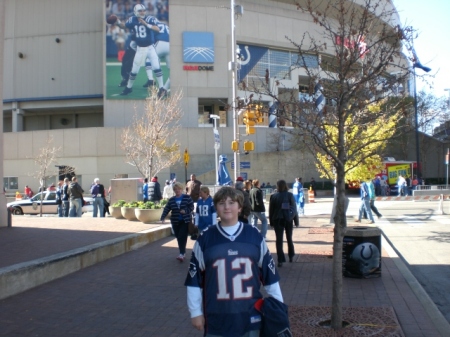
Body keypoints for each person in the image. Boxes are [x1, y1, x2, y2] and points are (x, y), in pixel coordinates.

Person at [184, 186, 283, 336]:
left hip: (251, 317)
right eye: (222, 203)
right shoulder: (205, 239)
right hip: (217, 318)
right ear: (216, 207)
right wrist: (195, 312)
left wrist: (279, 308)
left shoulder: (254, 236)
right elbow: (194, 281)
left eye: (232, 202)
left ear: (240, 207)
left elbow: (270, 277)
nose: (227, 207)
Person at [115, 4, 167, 98]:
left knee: (156, 67)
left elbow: (158, 29)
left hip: (150, 48)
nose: (142, 12)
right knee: (134, 71)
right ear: (135, 12)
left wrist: (146, 24)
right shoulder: (132, 20)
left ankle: (161, 88)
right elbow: (124, 26)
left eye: (143, 10)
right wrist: (117, 22)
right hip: (140, 49)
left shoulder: (150, 18)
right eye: (140, 11)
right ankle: (128, 88)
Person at [160, 182, 194, 262]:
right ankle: (182, 252)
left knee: (182, 235)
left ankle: (182, 253)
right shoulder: (172, 199)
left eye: (178, 189)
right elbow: (167, 208)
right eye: (175, 189)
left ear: (181, 189)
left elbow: (191, 207)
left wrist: (185, 211)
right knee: (178, 236)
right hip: (175, 221)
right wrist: (163, 217)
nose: (177, 190)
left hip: (184, 220)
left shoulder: (187, 198)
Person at [269, 180, 296, 267]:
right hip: (288, 219)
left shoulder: (274, 196)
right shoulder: (289, 195)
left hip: (277, 219)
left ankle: (280, 259)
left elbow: (271, 210)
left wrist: (271, 221)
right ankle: (291, 255)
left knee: (279, 240)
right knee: (289, 238)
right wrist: (295, 220)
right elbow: (294, 209)